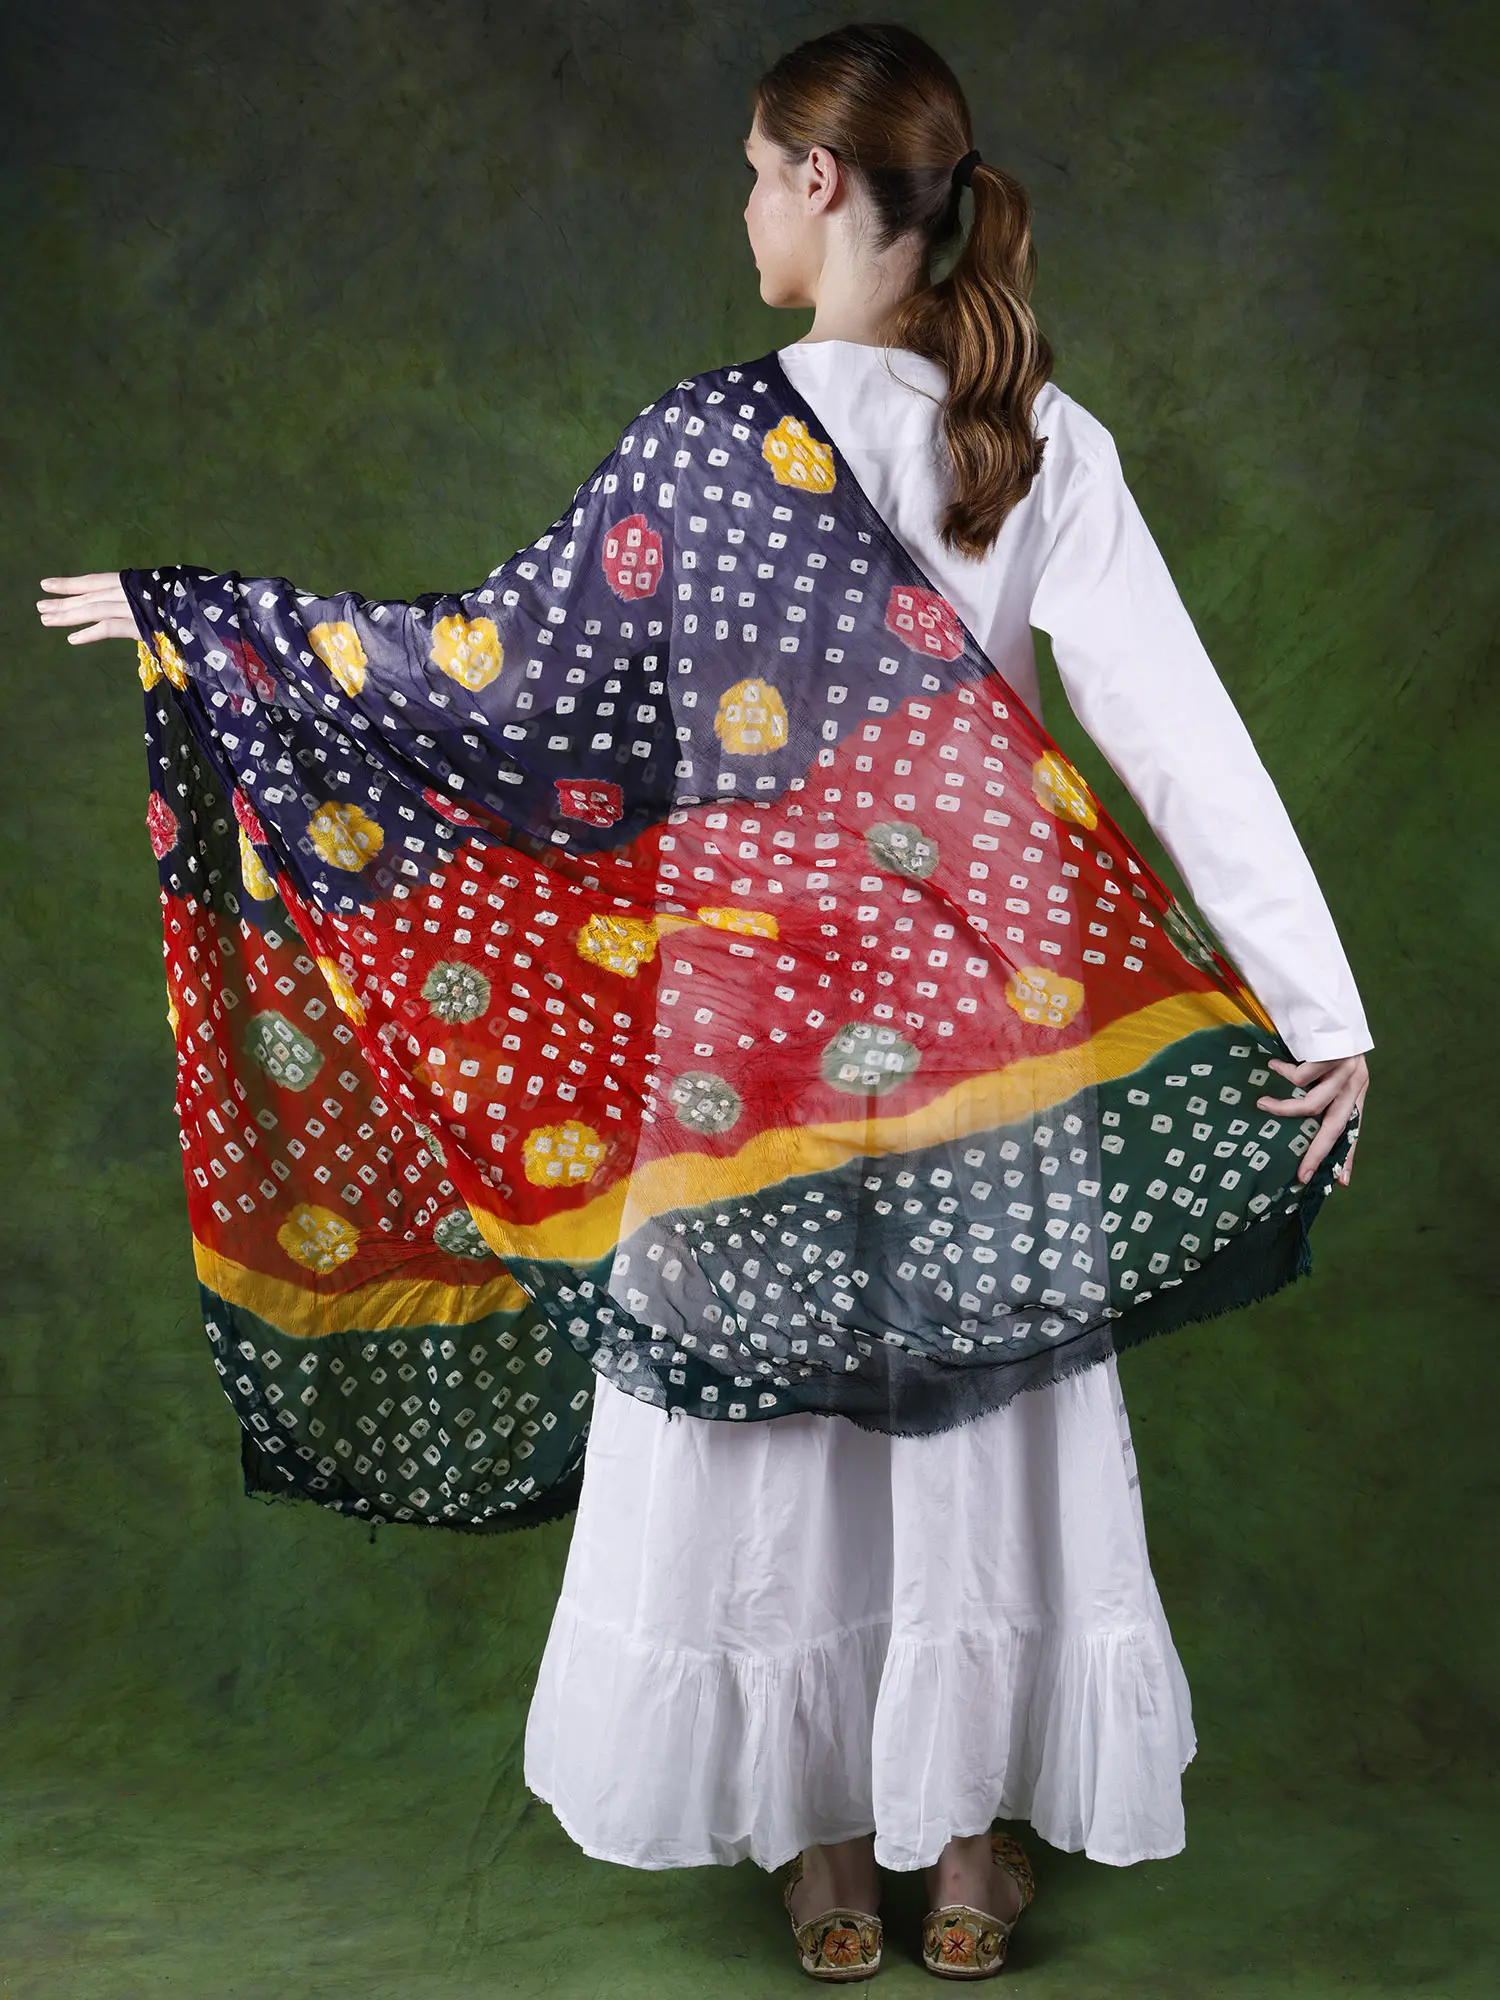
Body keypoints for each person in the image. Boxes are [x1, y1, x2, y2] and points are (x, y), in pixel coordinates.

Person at [38, 21, 1369, 1984]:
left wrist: (211, 630)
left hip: (745, 1068)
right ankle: (963, 1854)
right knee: (976, 1445)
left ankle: (824, 1854)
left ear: (822, 182)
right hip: (993, 1054)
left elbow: (484, 679)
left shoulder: (705, 447)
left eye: (758, 173)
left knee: (770, 1459)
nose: (745, 208)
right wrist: (1323, 1005)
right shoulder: (1038, 440)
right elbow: (1177, 737)